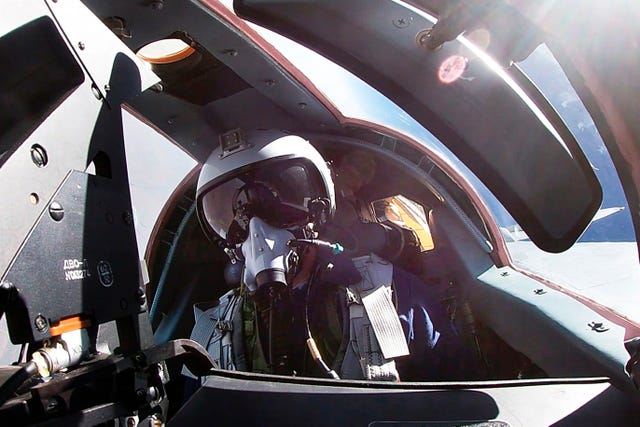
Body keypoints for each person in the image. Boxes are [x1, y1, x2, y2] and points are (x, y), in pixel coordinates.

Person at [183, 130, 467, 386]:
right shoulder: (209, 333)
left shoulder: (393, 296)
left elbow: (459, 396)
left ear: (319, 209)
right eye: (236, 215)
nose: (256, 229)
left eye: (280, 203)